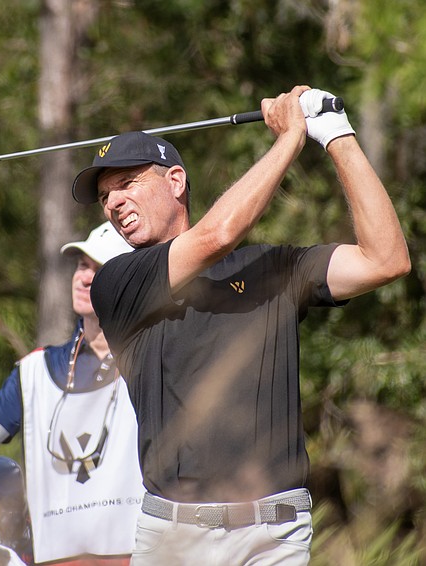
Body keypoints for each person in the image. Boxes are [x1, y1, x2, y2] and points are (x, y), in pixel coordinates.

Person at [69, 86, 411, 564]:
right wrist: (291, 136)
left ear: (176, 180)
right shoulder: (118, 283)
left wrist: (336, 132)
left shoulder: (272, 268)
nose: (113, 203)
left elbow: (386, 260)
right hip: (173, 537)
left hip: (272, 538)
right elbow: (217, 235)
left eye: (127, 182)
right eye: (105, 196)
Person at [0, 221, 145, 566]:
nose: (85, 277)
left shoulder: (152, 358)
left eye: (100, 268)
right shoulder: (36, 368)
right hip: (54, 557)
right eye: (82, 265)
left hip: (132, 554)